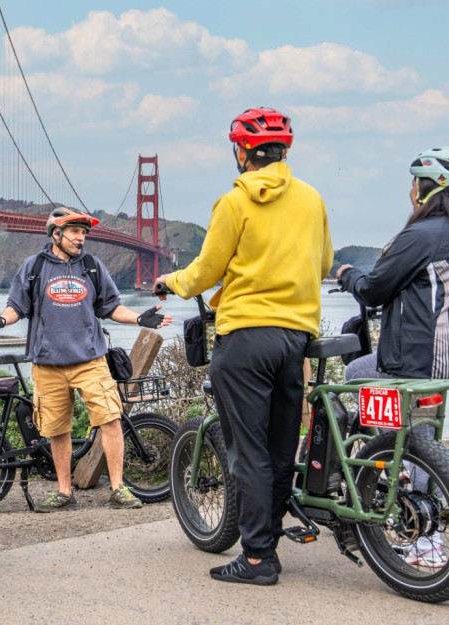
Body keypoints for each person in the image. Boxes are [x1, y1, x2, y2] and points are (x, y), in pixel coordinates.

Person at [155, 107, 332, 585]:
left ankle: (256, 559)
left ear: (242, 152)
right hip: (296, 339)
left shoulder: (234, 202)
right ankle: (268, 541)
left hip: (246, 339)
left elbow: (205, 272)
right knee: (280, 448)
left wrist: (170, 281)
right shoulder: (312, 199)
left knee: (248, 451)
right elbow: (323, 264)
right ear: (283, 152)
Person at [336, 146, 449, 568]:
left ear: (426, 188)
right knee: (364, 378)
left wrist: (346, 274)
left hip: (419, 363)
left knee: (409, 428)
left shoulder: (423, 234)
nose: (410, 191)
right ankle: (391, 458)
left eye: (413, 183)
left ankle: (424, 535)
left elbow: (374, 289)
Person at [0, 207, 173, 512]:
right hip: (47, 363)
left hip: (90, 360)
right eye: (75, 232)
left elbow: (112, 307)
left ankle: (119, 489)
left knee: (111, 419)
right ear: (56, 233)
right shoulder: (34, 266)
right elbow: (16, 307)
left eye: (83, 233)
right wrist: (0, 320)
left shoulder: (92, 266)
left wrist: (138, 318)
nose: (81, 238)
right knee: (57, 429)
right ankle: (64, 493)